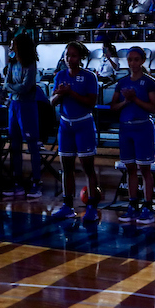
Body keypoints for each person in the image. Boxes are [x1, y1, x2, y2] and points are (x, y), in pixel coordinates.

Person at [50, 41, 101, 222]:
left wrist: (70, 93)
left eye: (73, 55)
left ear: (80, 58)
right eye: (67, 55)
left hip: (83, 124)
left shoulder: (89, 77)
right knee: (66, 168)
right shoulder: (60, 76)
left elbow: (91, 103)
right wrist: (60, 94)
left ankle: (92, 207)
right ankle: (67, 205)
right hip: (65, 125)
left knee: (88, 168)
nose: (69, 59)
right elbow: (52, 102)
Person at [111, 47, 155, 224]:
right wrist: (126, 101)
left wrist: (135, 99)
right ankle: (132, 205)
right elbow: (113, 107)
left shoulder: (149, 82)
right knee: (130, 168)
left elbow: (153, 108)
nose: (133, 63)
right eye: (130, 59)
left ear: (142, 61)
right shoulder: (122, 82)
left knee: (145, 169)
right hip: (125, 128)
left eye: (136, 59)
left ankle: (147, 206)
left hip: (142, 127)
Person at [5, 33, 43, 199]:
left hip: (27, 106)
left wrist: (13, 88)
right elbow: (7, 84)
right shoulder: (12, 64)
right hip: (13, 106)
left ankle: (37, 182)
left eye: (13, 45)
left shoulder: (31, 64)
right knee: (15, 146)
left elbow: (25, 87)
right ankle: (18, 182)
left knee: (32, 145)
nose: (11, 48)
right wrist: (15, 88)